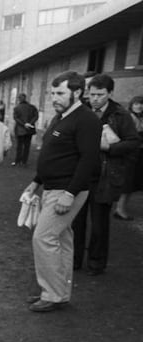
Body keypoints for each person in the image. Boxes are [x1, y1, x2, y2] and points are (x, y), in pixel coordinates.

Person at [22, 71, 100, 313]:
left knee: (43, 237)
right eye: (53, 93)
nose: (54, 97)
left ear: (77, 93)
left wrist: (70, 193)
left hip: (66, 190)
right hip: (52, 187)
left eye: (60, 93)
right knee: (62, 239)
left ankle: (52, 294)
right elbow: (53, 156)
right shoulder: (61, 117)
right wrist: (36, 182)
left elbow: (88, 160)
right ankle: (59, 292)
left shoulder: (85, 119)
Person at [72, 74, 140, 276]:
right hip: (80, 175)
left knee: (100, 223)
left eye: (100, 95)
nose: (95, 99)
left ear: (110, 93)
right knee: (76, 220)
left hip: (105, 177)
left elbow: (133, 143)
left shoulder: (120, 115)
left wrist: (109, 147)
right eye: (92, 94)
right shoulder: (80, 110)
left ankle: (96, 263)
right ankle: (74, 260)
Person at [115, 95, 143, 219]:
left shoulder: (140, 118)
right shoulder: (129, 117)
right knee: (128, 183)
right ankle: (119, 210)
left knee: (132, 183)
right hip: (130, 154)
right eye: (136, 104)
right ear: (131, 105)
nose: (139, 106)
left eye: (141, 104)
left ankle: (121, 209)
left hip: (139, 154)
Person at [12, 93, 39, 167]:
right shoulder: (32, 107)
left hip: (20, 129)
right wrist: (30, 123)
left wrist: (24, 124)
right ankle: (24, 161)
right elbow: (36, 116)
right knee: (27, 146)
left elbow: (16, 118)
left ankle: (17, 161)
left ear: (19, 99)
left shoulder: (17, 108)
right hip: (29, 129)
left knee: (19, 146)